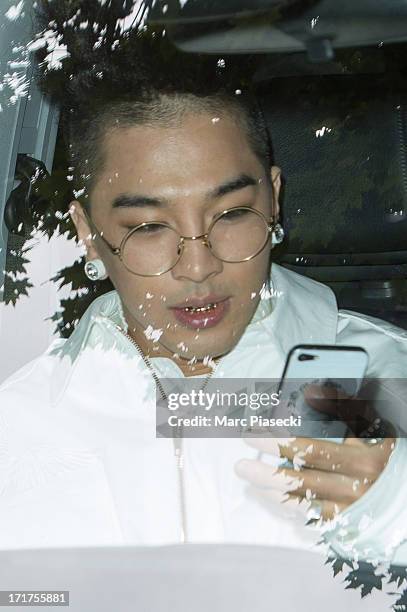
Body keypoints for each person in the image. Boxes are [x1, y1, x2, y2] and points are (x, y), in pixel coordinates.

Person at [0, 1, 407, 573]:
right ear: (88, 234)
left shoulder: (394, 379)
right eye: (147, 227)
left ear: (274, 198)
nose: (198, 265)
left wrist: (393, 514)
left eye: (232, 213)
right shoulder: (18, 427)